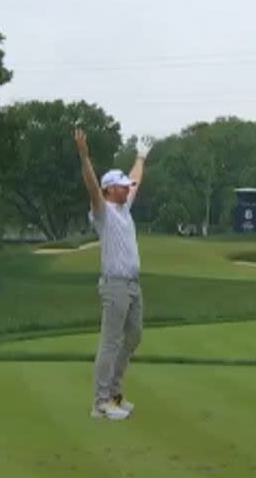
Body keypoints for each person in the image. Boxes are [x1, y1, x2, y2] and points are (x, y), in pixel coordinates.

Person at [75, 127, 151, 421]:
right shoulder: (102, 211)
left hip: (133, 286)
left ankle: (115, 394)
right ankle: (100, 402)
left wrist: (141, 157)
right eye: (121, 186)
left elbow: (136, 180)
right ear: (110, 190)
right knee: (110, 342)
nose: (127, 188)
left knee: (133, 337)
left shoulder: (124, 208)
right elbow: (92, 187)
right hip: (114, 286)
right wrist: (84, 156)